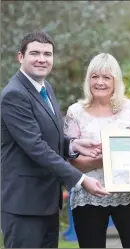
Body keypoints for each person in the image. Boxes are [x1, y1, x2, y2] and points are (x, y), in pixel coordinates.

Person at [0, 30, 110, 248]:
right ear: (20, 57)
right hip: (24, 206)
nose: (42, 59)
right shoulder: (15, 95)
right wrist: (81, 180)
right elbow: (36, 147)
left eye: (47, 54)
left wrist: (72, 144)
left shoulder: (44, 88)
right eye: (35, 53)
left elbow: (49, 134)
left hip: (46, 203)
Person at [63, 53, 130, 248]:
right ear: (88, 80)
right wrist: (109, 158)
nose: (100, 82)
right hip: (88, 196)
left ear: (115, 80)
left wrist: (98, 158)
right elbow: (72, 163)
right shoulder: (75, 111)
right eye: (95, 76)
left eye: (106, 77)